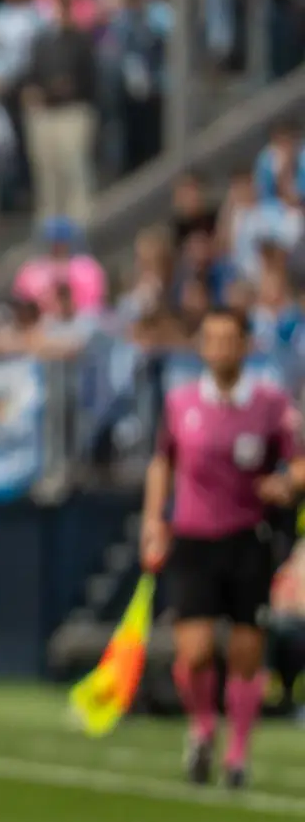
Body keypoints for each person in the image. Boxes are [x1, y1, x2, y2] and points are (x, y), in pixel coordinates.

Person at [139, 310, 305, 789]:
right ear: (202, 348)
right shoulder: (181, 402)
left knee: (247, 653)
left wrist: (286, 484)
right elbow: (161, 463)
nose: (220, 349)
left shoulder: (271, 405)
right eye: (211, 340)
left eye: (229, 340)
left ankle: (237, 755)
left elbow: (297, 465)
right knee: (192, 653)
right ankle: (203, 729)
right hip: (193, 536)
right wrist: (153, 519)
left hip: (248, 539)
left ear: (245, 346)